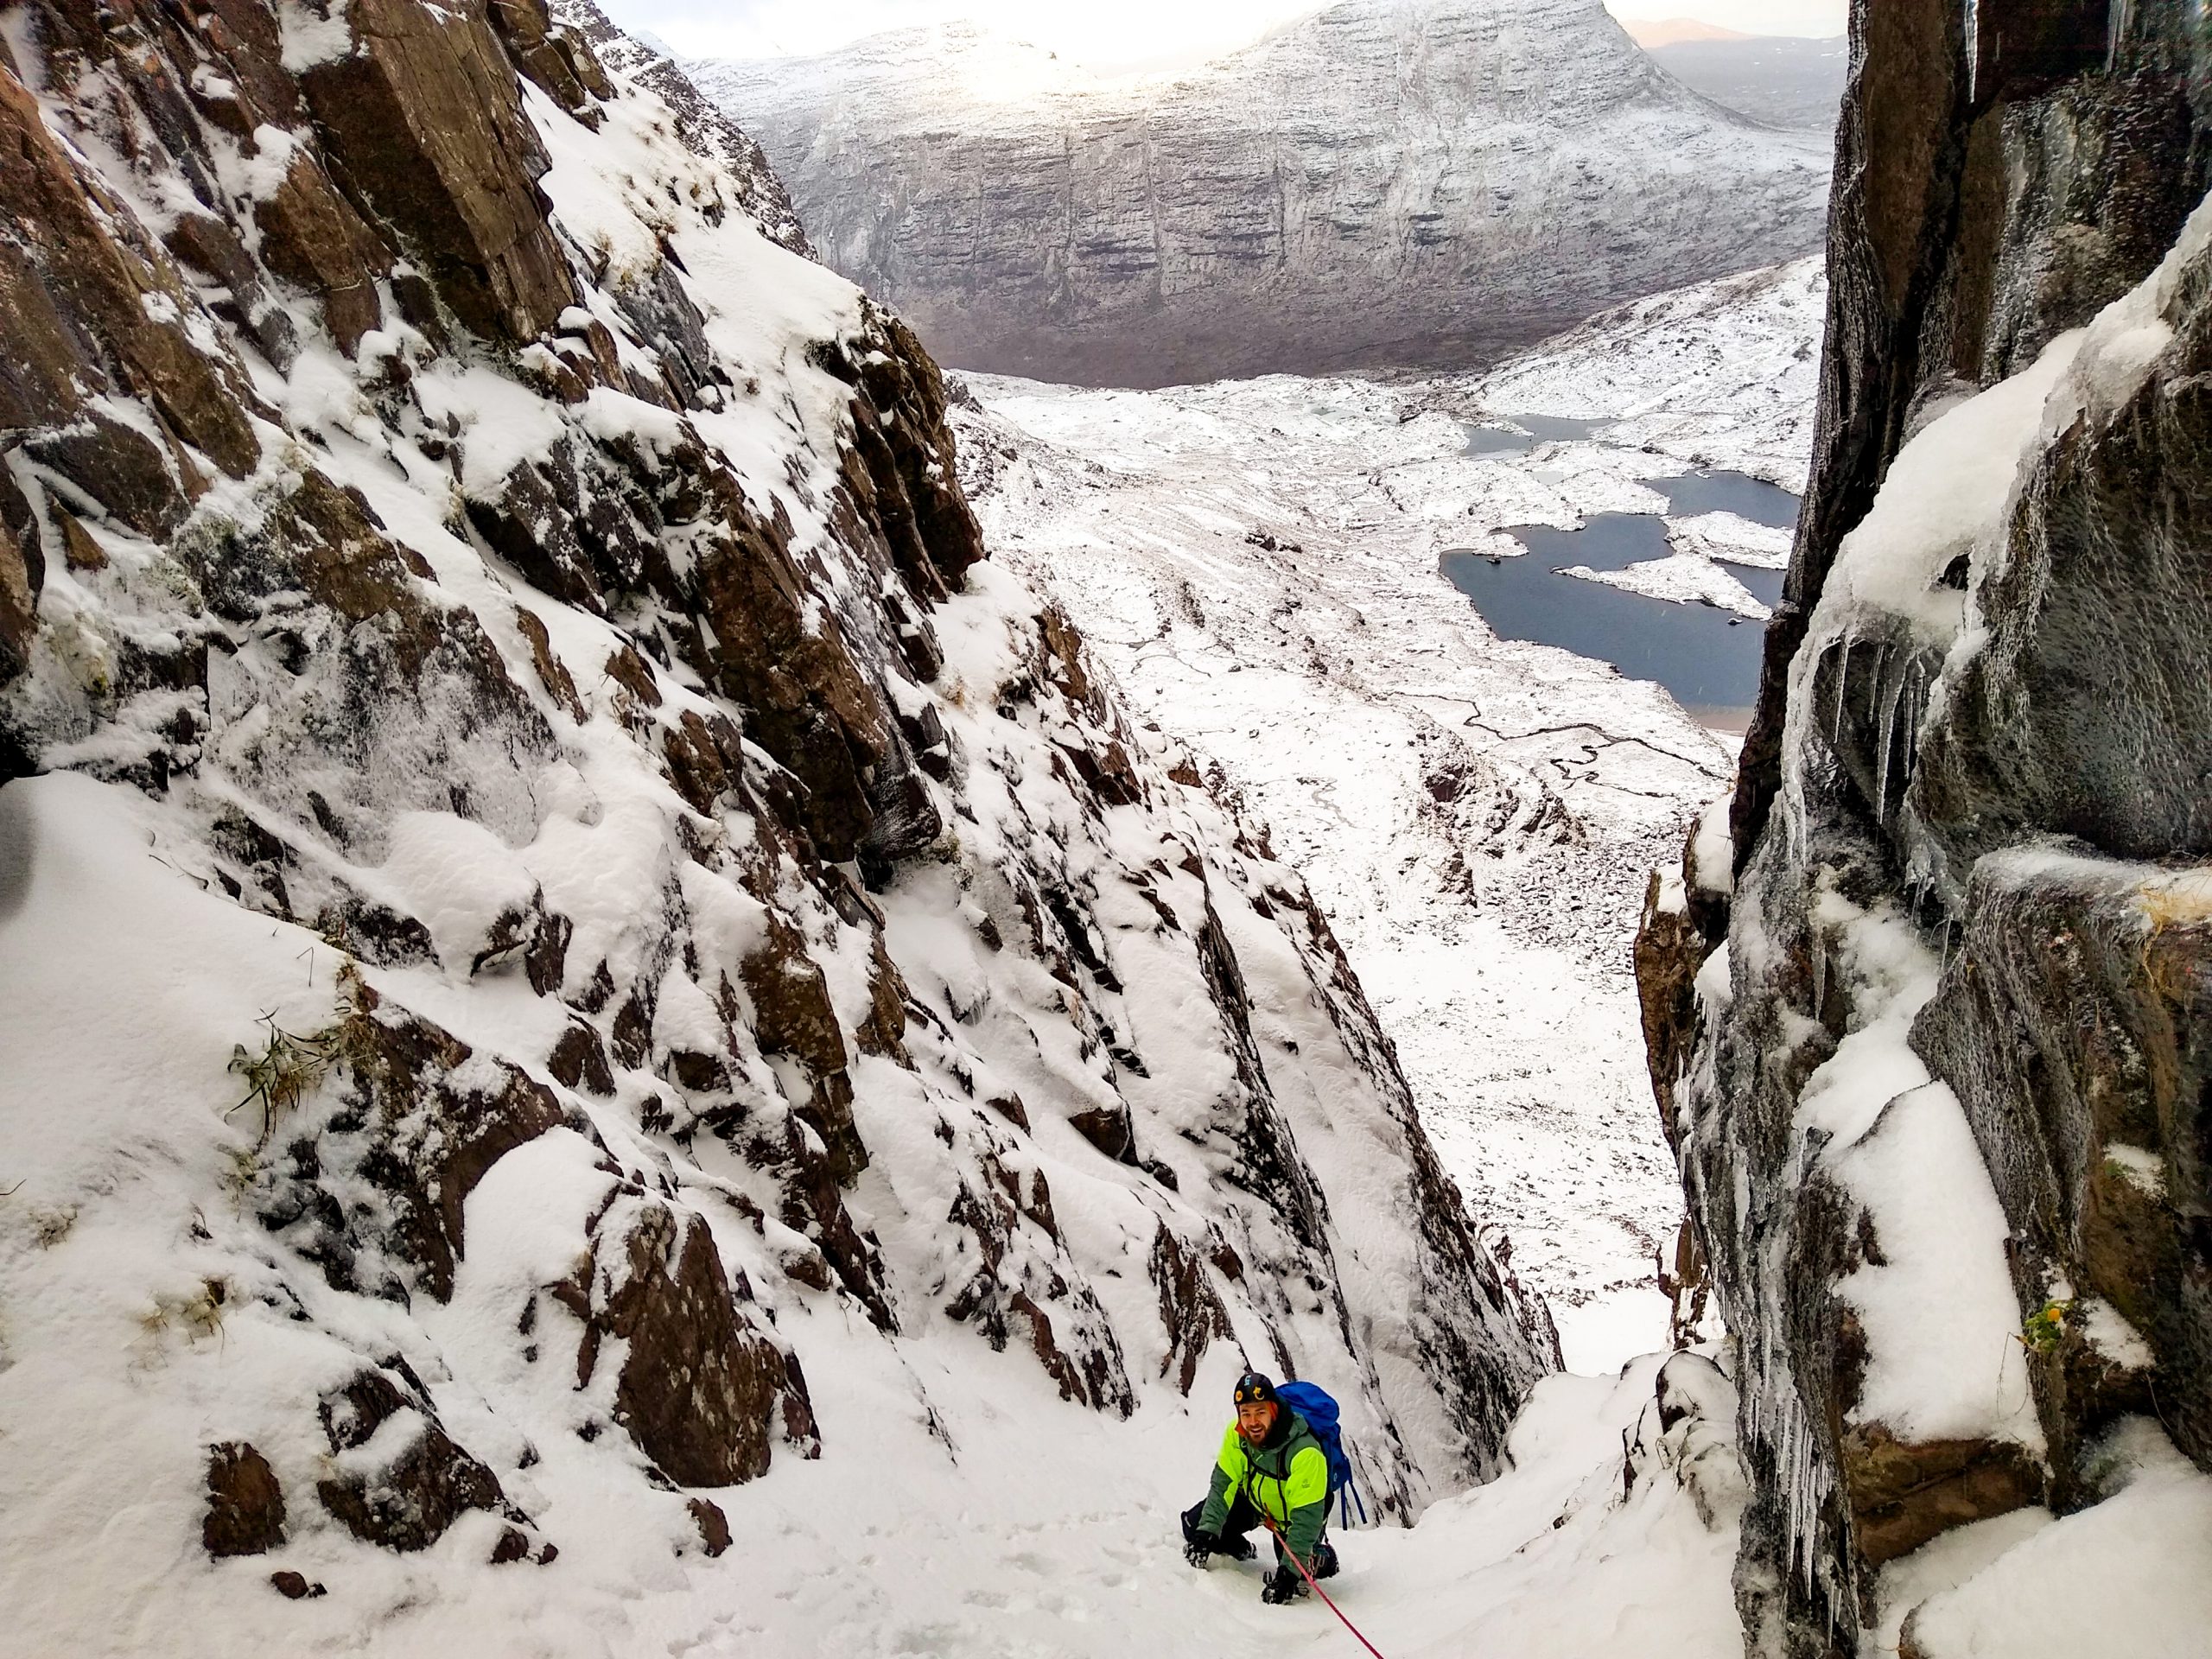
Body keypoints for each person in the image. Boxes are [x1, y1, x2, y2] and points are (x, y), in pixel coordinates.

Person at [1179, 1370, 1340, 1604]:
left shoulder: (1305, 1453)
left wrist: (1288, 1575)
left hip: (1293, 1519)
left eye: (1260, 1412)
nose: (1252, 1422)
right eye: (1246, 1413)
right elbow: (1222, 1485)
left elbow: (1306, 1519)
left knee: (1296, 1568)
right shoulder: (1237, 1435)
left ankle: (1324, 1558)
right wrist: (1207, 1532)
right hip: (1257, 1504)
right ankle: (1236, 1546)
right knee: (1195, 1526)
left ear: (1273, 1411)